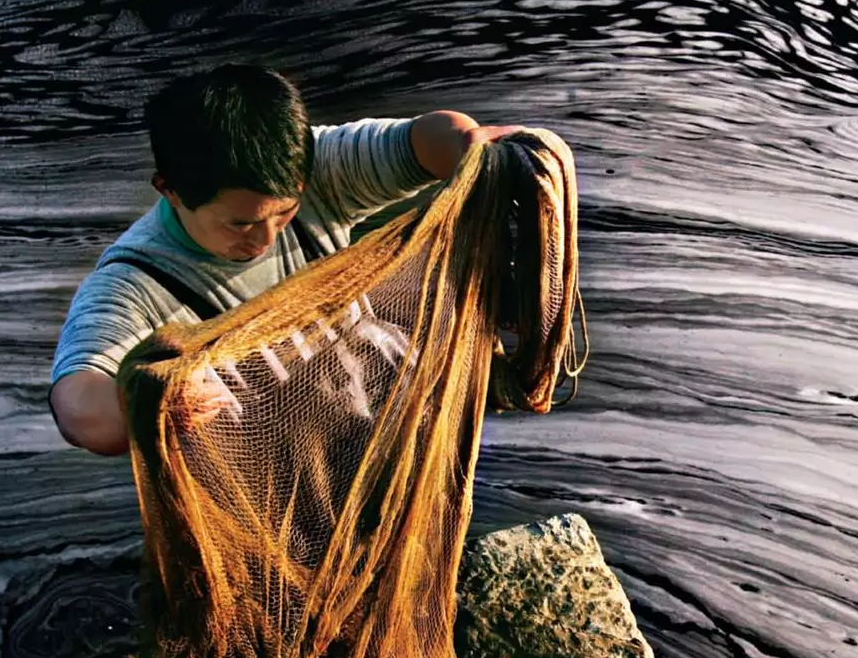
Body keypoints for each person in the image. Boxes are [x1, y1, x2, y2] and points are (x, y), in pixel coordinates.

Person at [50, 65, 529, 456]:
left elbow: (425, 141)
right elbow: (77, 403)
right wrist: (152, 403)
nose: (264, 239)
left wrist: (470, 150)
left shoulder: (311, 165)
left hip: (391, 436)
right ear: (169, 191)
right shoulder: (133, 283)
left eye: (285, 213)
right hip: (274, 492)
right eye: (239, 224)